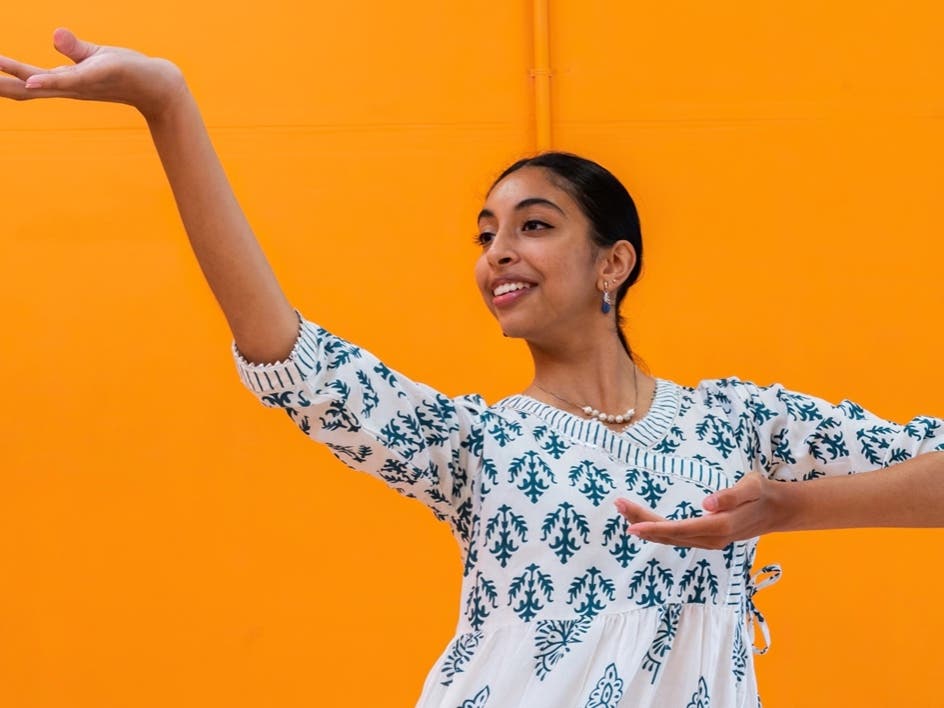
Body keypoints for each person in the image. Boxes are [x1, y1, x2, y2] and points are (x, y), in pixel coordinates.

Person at [3, 29, 943, 708]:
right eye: (486, 233)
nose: (499, 250)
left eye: (535, 224)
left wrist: (792, 508)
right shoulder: (475, 448)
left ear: (613, 263)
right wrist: (168, 102)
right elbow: (282, 348)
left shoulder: (745, 426)